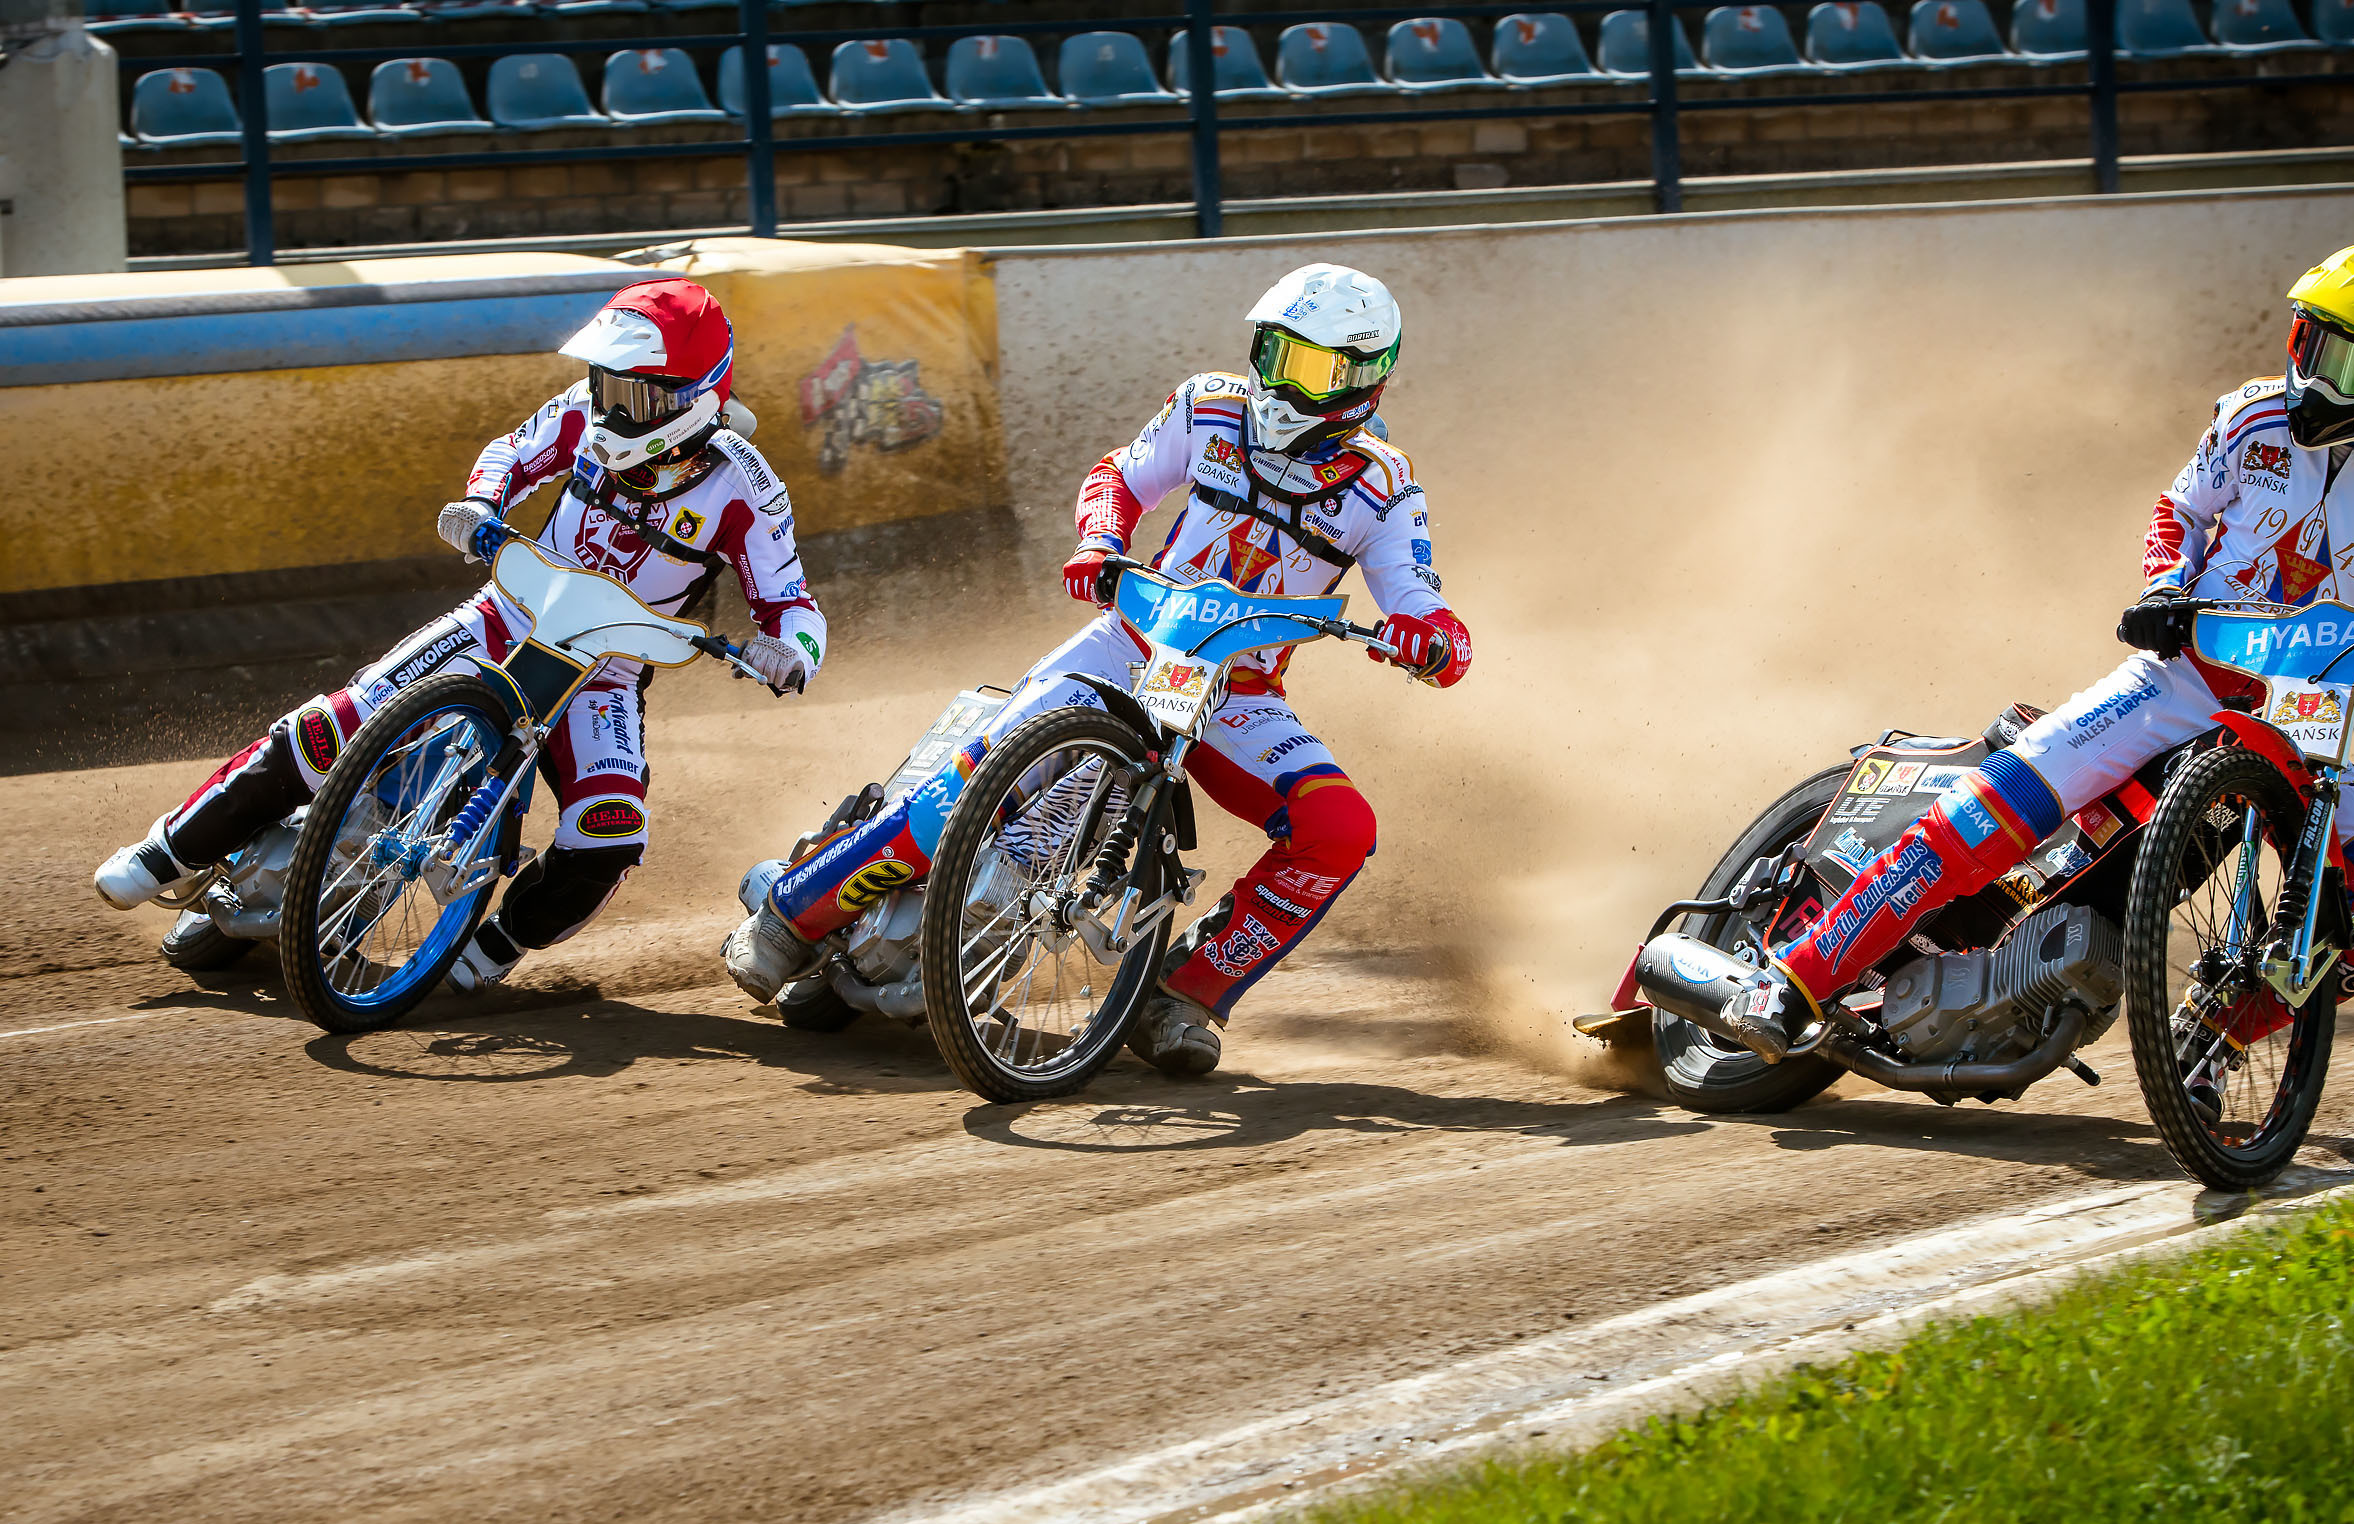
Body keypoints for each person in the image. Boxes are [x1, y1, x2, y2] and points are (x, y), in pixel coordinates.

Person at [1718, 241, 2354, 1117]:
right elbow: (2179, 512)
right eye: (2305, 338)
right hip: (2175, 682)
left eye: (2336, 356)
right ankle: (1792, 981)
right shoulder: (2249, 419)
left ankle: (2217, 1038)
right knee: (1975, 825)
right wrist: (2163, 586)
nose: (2306, 370)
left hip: (2308, 723)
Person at [723, 261, 1470, 1076]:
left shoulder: (1385, 490)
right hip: (1129, 639)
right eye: (1272, 351)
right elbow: (1120, 474)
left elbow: (1419, 599)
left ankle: (1181, 994)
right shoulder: (1209, 406)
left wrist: (1429, 640)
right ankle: (787, 919)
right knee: (962, 791)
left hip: (1235, 691)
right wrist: (1100, 540)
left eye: (1309, 366)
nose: (1278, 382)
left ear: (1363, 381)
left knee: (1340, 829)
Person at [94, 278, 826, 993]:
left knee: (610, 830)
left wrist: (790, 652)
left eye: (632, 394)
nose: (608, 407)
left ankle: (496, 942)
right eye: (605, 384)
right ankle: (169, 851)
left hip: (603, 673)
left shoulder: (747, 488)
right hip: (504, 615)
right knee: (339, 722)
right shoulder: (580, 414)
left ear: (690, 401)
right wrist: (480, 502)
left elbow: (794, 605)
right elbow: (510, 452)